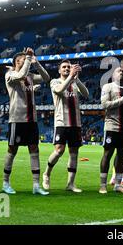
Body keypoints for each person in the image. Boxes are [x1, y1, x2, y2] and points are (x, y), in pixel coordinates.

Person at [1, 48, 51, 195]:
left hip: (32, 119)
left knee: (34, 150)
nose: (27, 59)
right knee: (12, 150)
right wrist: (29, 58)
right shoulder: (10, 75)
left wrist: (37, 63)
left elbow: (46, 77)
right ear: (17, 61)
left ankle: (36, 185)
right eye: (24, 58)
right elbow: (21, 74)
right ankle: (5, 182)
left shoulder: (30, 75)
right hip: (17, 118)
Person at [42, 60, 89, 193]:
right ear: (59, 70)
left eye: (69, 67)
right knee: (59, 150)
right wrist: (70, 77)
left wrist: (77, 79)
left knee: (74, 153)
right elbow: (59, 90)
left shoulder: (74, 83)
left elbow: (86, 94)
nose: (67, 68)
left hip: (76, 123)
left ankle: (70, 184)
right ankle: (46, 174)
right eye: (64, 67)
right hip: (61, 121)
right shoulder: (55, 82)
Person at [99, 67, 123, 194]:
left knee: (121, 155)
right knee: (108, 153)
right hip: (111, 126)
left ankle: (118, 185)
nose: (122, 72)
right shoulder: (108, 87)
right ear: (113, 74)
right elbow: (105, 105)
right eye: (119, 71)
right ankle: (103, 184)